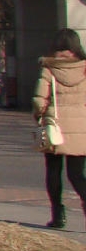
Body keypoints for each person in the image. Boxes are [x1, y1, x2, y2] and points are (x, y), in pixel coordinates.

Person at [33, 29, 86, 230]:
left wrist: (40, 116)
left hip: (54, 125)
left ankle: (57, 214)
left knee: (53, 171)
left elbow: (40, 100)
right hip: (81, 126)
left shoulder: (49, 69)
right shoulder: (84, 68)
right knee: (77, 174)